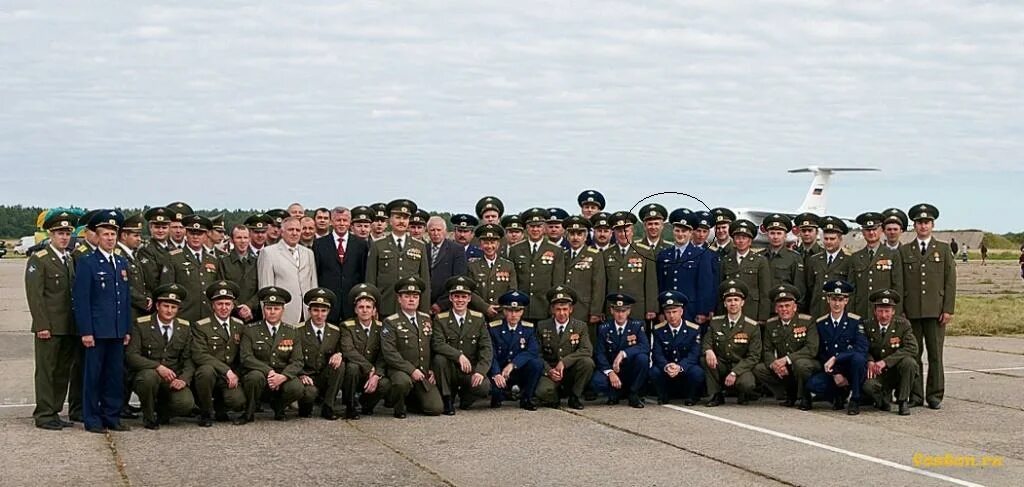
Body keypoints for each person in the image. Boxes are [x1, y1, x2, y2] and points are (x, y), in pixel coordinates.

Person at [72, 210, 133, 433]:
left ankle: (112, 416)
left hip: (117, 330)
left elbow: (124, 299)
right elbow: (82, 300)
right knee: (93, 377)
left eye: (113, 235)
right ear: (97, 237)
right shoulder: (88, 263)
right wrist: (86, 331)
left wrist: (126, 328)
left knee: (114, 376)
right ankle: (93, 418)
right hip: (97, 331)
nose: (110, 239)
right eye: (105, 234)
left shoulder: (121, 262)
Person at [899, 204, 956, 410]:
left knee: (935, 355)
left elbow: (950, 281)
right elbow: (901, 281)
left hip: (936, 311)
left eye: (927, 222)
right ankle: (915, 395)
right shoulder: (905, 251)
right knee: (914, 354)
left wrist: (948, 309)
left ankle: (935, 395)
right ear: (914, 225)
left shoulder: (943, 249)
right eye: (919, 223)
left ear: (932, 225)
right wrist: (902, 310)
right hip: (911, 312)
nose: (923, 226)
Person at [27, 211, 78, 430]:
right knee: (47, 370)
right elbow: (35, 296)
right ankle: (44, 413)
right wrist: (42, 325)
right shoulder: (40, 259)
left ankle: (55, 410)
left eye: (67, 233)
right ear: (50, 234)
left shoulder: (70, 259)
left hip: (68, 327)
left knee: (62, 371)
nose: (64, 237)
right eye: (60, 233)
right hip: (49, 327)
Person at [126, 283, 195, 430]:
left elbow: (188, 358)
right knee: (148, 378)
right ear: (157, 306)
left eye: (173, 307)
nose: (169, 311)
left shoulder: (184, 327)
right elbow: (132, 356)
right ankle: (149, 416)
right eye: (166, 306)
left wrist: (183, 379)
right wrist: (157, 367)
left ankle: (163, 411)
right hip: (147, 375)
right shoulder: (141, 325)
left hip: (172, 378)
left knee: (186, 404)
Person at [235, 286, 305, 424]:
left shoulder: (292, 331)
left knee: (297, 388)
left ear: (283, 310)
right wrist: (269, 371)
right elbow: (246, 357)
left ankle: (279, 407)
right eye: (269, 308)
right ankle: (249, 413)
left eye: (276, 308)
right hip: (260, 374)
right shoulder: (250, 330)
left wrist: (283, 376)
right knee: (253, 377)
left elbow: (298, 361)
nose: (272, 312)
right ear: (263, 310)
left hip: (281, 376)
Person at [380, 276, 443, 418]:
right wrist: (411, 369)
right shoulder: (391, 322)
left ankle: (413, 400)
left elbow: (433, 346)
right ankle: (397, 404)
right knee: (402, 382)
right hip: (401, 371)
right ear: (399, 299)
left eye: (415, 296)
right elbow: (389, 353)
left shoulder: (426, 319)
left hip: (422, 373)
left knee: (435, 409)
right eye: (407, 296)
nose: (411, 299)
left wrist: (431, 368)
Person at [431, 276, 493, 414]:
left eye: (464, 297)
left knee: (484, 386)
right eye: (456, 296)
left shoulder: (478, 319)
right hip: (450, 368)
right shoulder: (441, 319)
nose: (460, 300)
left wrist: (480, 371)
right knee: (439, 360)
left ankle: (467, 399)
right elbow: (437, 344)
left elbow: (486, 347)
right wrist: (458, 356)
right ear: (451, 298)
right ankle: (447, 398)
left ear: (469, 299)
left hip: (469, 368)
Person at [805, 280, 868, 415]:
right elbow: (821, 352)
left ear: (846, 301)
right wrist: (835, 373)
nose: (837, 304)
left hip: (852, 369)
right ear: (828, 299)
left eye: (840, 299)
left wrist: (837, 358)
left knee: (858, 359)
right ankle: (837, 395)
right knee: (813, 384)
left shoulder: (855, 321)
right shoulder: (821, 323)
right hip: (833, 370)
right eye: (833, 299)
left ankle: (855, 399)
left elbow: (861, 349)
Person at [752, 285, 819, 408]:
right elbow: (767, 350)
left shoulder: (807, 321)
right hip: (783, 366)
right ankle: (787, 394)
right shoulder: (771, 324)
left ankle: (806, 396)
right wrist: (774, 364)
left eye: (787, 306)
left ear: (795, 307)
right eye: (780, 306)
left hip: (804, 363)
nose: (784, 310)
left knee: (801, 365)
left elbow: (811, 349)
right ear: (776, 309)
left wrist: (786, 359)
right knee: (759, 368)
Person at [191, 280, 247, 426]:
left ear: (233, 305)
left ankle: (221, 407)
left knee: (238, 401)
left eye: (227, 304)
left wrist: (235, 374)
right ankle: (206, 412)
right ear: (212, 306)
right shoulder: (201, 326)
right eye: (219, 304)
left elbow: (242, 355)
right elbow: (199, 354)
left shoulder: (239, 325)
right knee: (206, 371)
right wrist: (226, 370)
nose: (224, 308)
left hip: (229, 376)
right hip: (212, 373)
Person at [366, 199, 432, 316]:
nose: (402, 221)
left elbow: (424, 281)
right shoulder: (378, 245)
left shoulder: (419, 246)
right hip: (386, 305)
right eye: (398, 217)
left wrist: (424, 311)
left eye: (405, 218)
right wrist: (372, 307)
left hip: (411, 309)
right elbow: (371, 279)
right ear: (390, 220)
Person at [534, 286, 595, 409]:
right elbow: (537, 354)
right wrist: (549, 371)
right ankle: (555, 397)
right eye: (558, 309)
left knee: (587, 363)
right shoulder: (542, 326)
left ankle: (575, 397)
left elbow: (587, 350)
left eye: (565, 309)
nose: (562, 313)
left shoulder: (580, 326)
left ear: (571, 309)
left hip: (570, 371)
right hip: (551, 371)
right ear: (552, 309)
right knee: (542, 391)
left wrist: (564, 362)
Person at [702, 280, 761, 407]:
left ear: (742, 302)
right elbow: (706, 342)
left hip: (740, 366)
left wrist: (735, 372)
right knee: (705, 359)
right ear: (724, 303)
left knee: (747, 384)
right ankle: (716, 395)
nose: (733, 303)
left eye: (736, 300)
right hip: (721, 364)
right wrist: (708, 350)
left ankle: (742, 392)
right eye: (729, 300)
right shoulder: (715, 322)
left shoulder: (752, 326)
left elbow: (754, 356)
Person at [862, 289, 919, 416]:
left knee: (909, 363)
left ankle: (903, 401)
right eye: (880, 311)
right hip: (878, 371)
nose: (883, 315)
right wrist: (870, 360)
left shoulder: (902, 325)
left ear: (893, 312)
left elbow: (912, 348)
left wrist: (886, 362)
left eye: (887, 311)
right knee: (867, 385)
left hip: (896, 370)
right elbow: (862, 347)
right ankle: (882, 399)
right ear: (875, 311)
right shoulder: (867, 325)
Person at [338, 284, 390, 419]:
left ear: (374, 310)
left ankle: (365, 405)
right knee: (352, 367)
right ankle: (350, 407)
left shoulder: (381, 327)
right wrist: (369, 368)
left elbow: (384, 354)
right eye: (361, 307)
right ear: (355, 310)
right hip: (355, 373)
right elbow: (348, 350)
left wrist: (377, 374)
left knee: (384, 384)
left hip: (372, 373)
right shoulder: (347, 326)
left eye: (368, 307)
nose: (364, 311)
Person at [657, 210, 715, 326]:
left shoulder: (700, 255)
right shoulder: (664, 255)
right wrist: (660, 310)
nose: (680, 234)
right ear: (673, 231)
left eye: (684, 231)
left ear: (690, 233)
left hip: (691, 311)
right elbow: (660, 285)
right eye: (677, 230)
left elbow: (705, 286)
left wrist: (702, 311)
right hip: (669, 310)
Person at [488, 291, 544, 411]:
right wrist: (496, 373)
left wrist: (513, 364)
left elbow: (532, 351)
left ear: (522, 312)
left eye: (517, 311)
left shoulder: (528, 329)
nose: (513, 315)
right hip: (500, 372)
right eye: (510, 310)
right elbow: (490, 354)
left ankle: (526, 398)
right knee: (496, 394)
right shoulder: (494, 328)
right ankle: (501, 394)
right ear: (504, 311)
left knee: (537, 363)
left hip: (518, 370)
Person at [591, 293, 650, 408]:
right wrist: (610, 372)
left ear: (629, 311)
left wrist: (624, 353)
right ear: (612, 311)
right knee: (596, 382)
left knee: (643, 358)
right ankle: (615, 393)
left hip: (629, 369)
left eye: (623, 311)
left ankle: (633, 393)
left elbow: (645, 346)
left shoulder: (637, 326)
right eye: (617, 311)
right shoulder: (604, 328)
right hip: (613, 369)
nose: (620, 314)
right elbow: (600, 353)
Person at [508, 208, 566, 322]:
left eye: (539, 226)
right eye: (532, 226)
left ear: (544, 228)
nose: (535, 229)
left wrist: (553, 306)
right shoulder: (515, 249)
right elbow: (512, 280)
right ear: (526, 228)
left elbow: (557, 282)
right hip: (521, 307)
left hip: (544, 307)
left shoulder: (556, 250)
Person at [312, 207, 369, 323]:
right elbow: (316, 273)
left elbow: (363, 274)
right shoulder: (319, 244)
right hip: (328, 301)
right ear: (332, 222)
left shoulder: (361, 245)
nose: (342, 223)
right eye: (338, 220)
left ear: (350, 222)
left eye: (345, 220)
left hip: (352, 302)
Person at [160, 214, 221, 321]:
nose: (196, 237)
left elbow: (216, 288)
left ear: (206, 235)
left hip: (208, 316)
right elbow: (167, 289)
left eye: (200, 234)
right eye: (192, 233)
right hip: (183, 316)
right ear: (186, 234)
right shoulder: (173, 257)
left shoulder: (213, 259)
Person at [258, 216, 319, 323]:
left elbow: (313, 284)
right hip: (282, 314)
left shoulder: (308, 253)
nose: (294, 233)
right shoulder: (268, 253)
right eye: (291, 230)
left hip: (306, 313)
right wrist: (268, 318)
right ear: (282, 232)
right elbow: (265, 289)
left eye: (298, 230)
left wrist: (314, 310)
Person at [296, 288, 345, 420]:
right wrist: (300, 374)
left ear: (328, 312)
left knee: (340, 366)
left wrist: (339, 354)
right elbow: (292, 358)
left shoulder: (335, 331)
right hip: (306, 377)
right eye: (315, 310)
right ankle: (305, 406)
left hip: (324, 376)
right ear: (309, 311)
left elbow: (342, 349)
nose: (319, 315)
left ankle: (328, 407)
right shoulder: (298, 331)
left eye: (323, 311)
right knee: (306, 409)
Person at [650, 291, 704, 406]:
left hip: (684, 368)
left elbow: (694, 354)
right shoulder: (658, 329)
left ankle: (691, 397)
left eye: (674, 312)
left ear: (681, 312)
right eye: (668, 312)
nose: (672, 315)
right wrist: (666, 365)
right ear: (664, 313)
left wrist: (680, 367)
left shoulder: (693, 329)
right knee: (654, 371)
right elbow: (657, 353)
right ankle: (663, 396)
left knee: (697, 372)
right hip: (667, 369)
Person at [604, 211, 658, 322]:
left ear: (632, 231)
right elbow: (603, 284)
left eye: (626, 230)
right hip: (613, 308)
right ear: (614, 233)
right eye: (619, 231)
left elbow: (651, 283)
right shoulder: (606, 253)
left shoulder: (645, 251)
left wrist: (651, 308)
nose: (623, 234)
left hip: (637, 308)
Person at [850, 212, 904, 318]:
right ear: (863, 232)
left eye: (874, 229)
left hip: (884, 313)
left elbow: (897, 287)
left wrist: (896, 313)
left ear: (881, 231)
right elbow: (852, 290)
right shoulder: (855, 257)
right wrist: (851, 314)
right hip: (861, 312)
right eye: (868, 230)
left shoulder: (892, 255)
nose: (871, 233)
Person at [719, 219, 772, 322]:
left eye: (744, 238)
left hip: (751, 311)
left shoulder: (760, 261)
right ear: (733, 240)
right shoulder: (726, 261)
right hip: (729, 312)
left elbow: (765, 292)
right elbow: (721, 289)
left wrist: (763, 317)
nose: (741, 241)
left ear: (750, 241)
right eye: (738, 238)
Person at [562, 216, 606, 336]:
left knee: (586, 343)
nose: (575, 237)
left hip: (585, 309)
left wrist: (595, 311)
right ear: (567, 236)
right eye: (572, 234)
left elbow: (599, 285)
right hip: (564, 308)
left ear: (586, 236)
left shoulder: (595, 255)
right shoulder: (563, 255)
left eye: (579, 234)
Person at [465, 224, 517, 320]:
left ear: (498, 244)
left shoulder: (508, 265)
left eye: (492, 242)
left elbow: (512, 290)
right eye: (486, 243)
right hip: (479, 315)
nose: (489, 246)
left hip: (501, 315)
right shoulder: (472, 266)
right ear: (480, 244)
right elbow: (470, 291)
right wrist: (485, 307)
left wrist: (496, 306)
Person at [805, 216, 851, 318]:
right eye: (826, 239)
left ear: (840, 239)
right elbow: (810, 287)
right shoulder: (814, 260)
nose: (828, 242)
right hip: (816, 312)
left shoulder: (848, 261)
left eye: (832, 239)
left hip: (837, 314)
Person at [761, 214, 807, 313]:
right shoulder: (759, 257)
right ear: (767, 235)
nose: (775, 237)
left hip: (785, 311)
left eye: (779, 233)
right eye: (772, 233)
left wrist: (796, 312)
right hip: (763, 312)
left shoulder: (794, 258)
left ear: (785, 235)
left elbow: (800, 289)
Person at [218, 225, 260, 322]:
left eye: (245, 238)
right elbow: (223, 287)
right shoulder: (224, 262)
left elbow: (261, 288)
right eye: (239, 238)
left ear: (249, 239)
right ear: (232, 240)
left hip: (254, 315)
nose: (242, 241)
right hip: (231, 315)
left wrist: (249, 306)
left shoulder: (257, 262)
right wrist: (238, 308)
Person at [425, 216, 468, 313]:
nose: (436, 233)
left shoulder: (457, 250)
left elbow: (458, 279)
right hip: (424, 304)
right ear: (427, 232)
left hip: (446, 305)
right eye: (432, 230)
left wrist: (441, 304)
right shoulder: (423, 249)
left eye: (439, 230)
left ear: (445, 231)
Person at [116, 214, 152, 319]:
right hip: (128, 311)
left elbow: (143, 281)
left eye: (140, 235)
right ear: (124, 236)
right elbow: (124, 285)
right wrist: (143, 300)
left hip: (138, 311)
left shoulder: (132, 255)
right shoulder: (119, 256)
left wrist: (148, 295)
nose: (139, 239)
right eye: (135, 236)